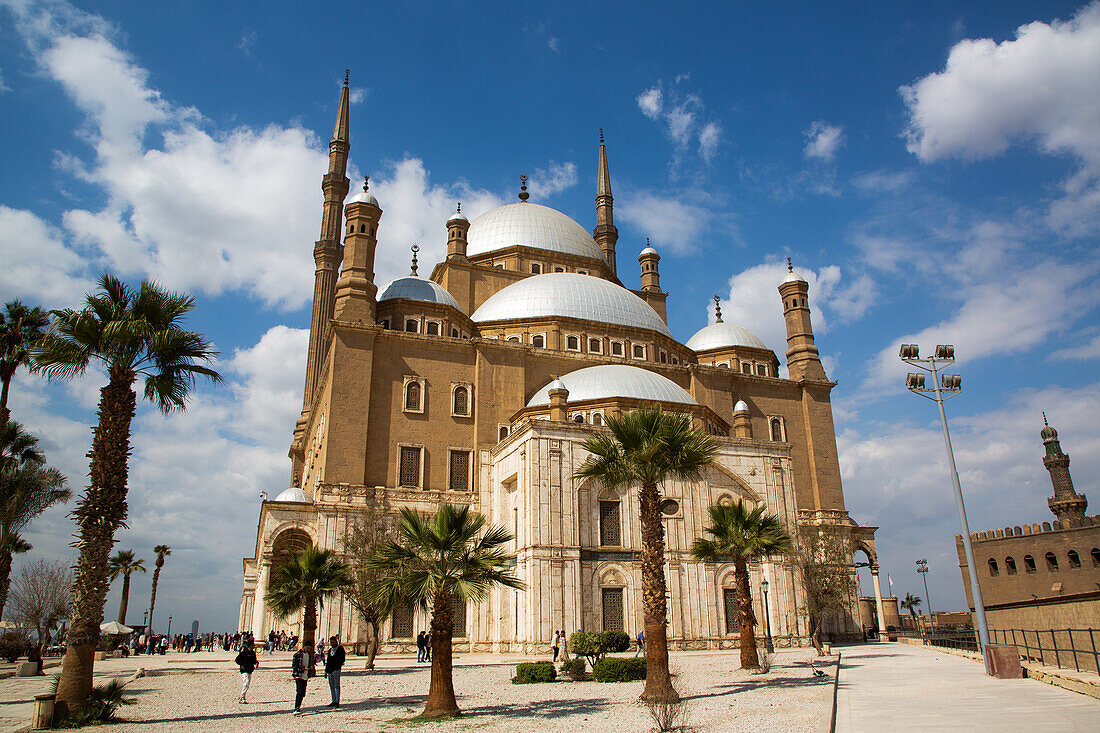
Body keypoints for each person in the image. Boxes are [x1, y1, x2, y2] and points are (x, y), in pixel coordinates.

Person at [291, 642, 313, 715]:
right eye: (307, 648)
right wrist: (304, 668)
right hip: (298, 675)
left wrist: (310, 668)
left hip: (305, 676)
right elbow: (294, 666)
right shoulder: (297, 655)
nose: (308, 650)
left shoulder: (308, 655)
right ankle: (296, 708)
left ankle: (299, 705)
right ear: (303, 647)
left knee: (303, 692)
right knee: (299, 691)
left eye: (309, 648)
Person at [324, 635, 345, 708]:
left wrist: (338, 667)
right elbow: (328, 660)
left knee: (337, 685)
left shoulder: (340, 649)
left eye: (333, 642)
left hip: (336, 670)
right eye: (331, 642)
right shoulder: (330, 650)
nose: (332, 644)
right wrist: (326, 671)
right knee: (331, 686)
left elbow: (342, 659)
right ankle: (333, 700)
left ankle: (337, 701)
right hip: (330, 670)